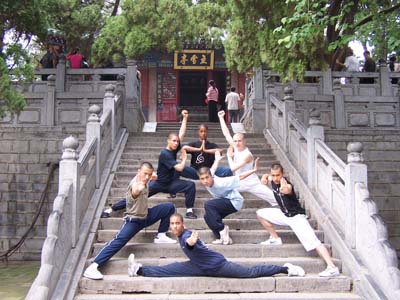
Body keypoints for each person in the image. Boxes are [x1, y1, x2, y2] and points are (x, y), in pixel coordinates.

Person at [127, 213, 305, 278]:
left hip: (217, 266)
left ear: (183, 225)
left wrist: (191, 243)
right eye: (172, 224)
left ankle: (285, 269)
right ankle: (139, 270)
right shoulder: (182, 235)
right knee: (169, 269)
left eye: (177, 224)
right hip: (198, 266)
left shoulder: (187, 235)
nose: (174, 226)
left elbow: (191, 244)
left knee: (249, 273)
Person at [83, 162, 176, 280]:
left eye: (149, 174)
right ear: (138, 172)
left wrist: (153, 176)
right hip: (134, 221)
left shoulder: (147, 178)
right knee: (118, 241)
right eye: (145, 174)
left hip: (146, 216)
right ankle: (93, 266)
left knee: (168, 207)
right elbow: (136, 191)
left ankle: (161, 235)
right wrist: (139, 188)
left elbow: (153, 176)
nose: (147, 177)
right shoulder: (135, 185)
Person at [102, 110, 197, 219]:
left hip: (172, 183)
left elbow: (181, 134)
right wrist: (184, 159)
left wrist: (185, 118)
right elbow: (180, 168)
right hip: (159, 183)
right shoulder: (165, 154)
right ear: (168, 141)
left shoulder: (174, 149)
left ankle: (189, 211)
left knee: (190, 185)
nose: (176, 143)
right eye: (174, 141)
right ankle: (111, 209)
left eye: (177, 141)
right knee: (137, 196)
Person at [256, 163, 340, 277]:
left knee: (314, 242)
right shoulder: (272, 179)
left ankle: (332, 267)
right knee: (260, 214)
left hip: (296, 217)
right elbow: (268, 176)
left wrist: (284, 188)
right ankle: (275, 239)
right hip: (284, 214)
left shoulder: (287, 185)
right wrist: (265, 176)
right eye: (273, 175)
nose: (275, 178)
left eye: (278, 175)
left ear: (283, 174)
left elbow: (287, 190)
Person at [199, 151, 260, 245]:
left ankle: (222, 229)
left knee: (208, 204)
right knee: (208, 217)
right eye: (202, 179)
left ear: (211, 176)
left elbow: (240, 176)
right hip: (225, 201)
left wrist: (254, 170)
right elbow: (213, 168)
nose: (205, 181)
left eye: (207, 178)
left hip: (234, 201)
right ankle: (221, 237)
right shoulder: (210, 174)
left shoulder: (221, 183)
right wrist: (217, 160)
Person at [218, 111, 277, 207]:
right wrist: (221, 118)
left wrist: (229, 157)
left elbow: (233, 169)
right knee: (222, 190)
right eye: (235, 141)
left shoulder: (247, 155)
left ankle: (290, 209)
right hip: (239, 181)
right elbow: (226, 134)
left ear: (244, 141)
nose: (237, 143)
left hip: (250, 182)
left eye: (239, 141)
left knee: (274, 198)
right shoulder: (235, 147)